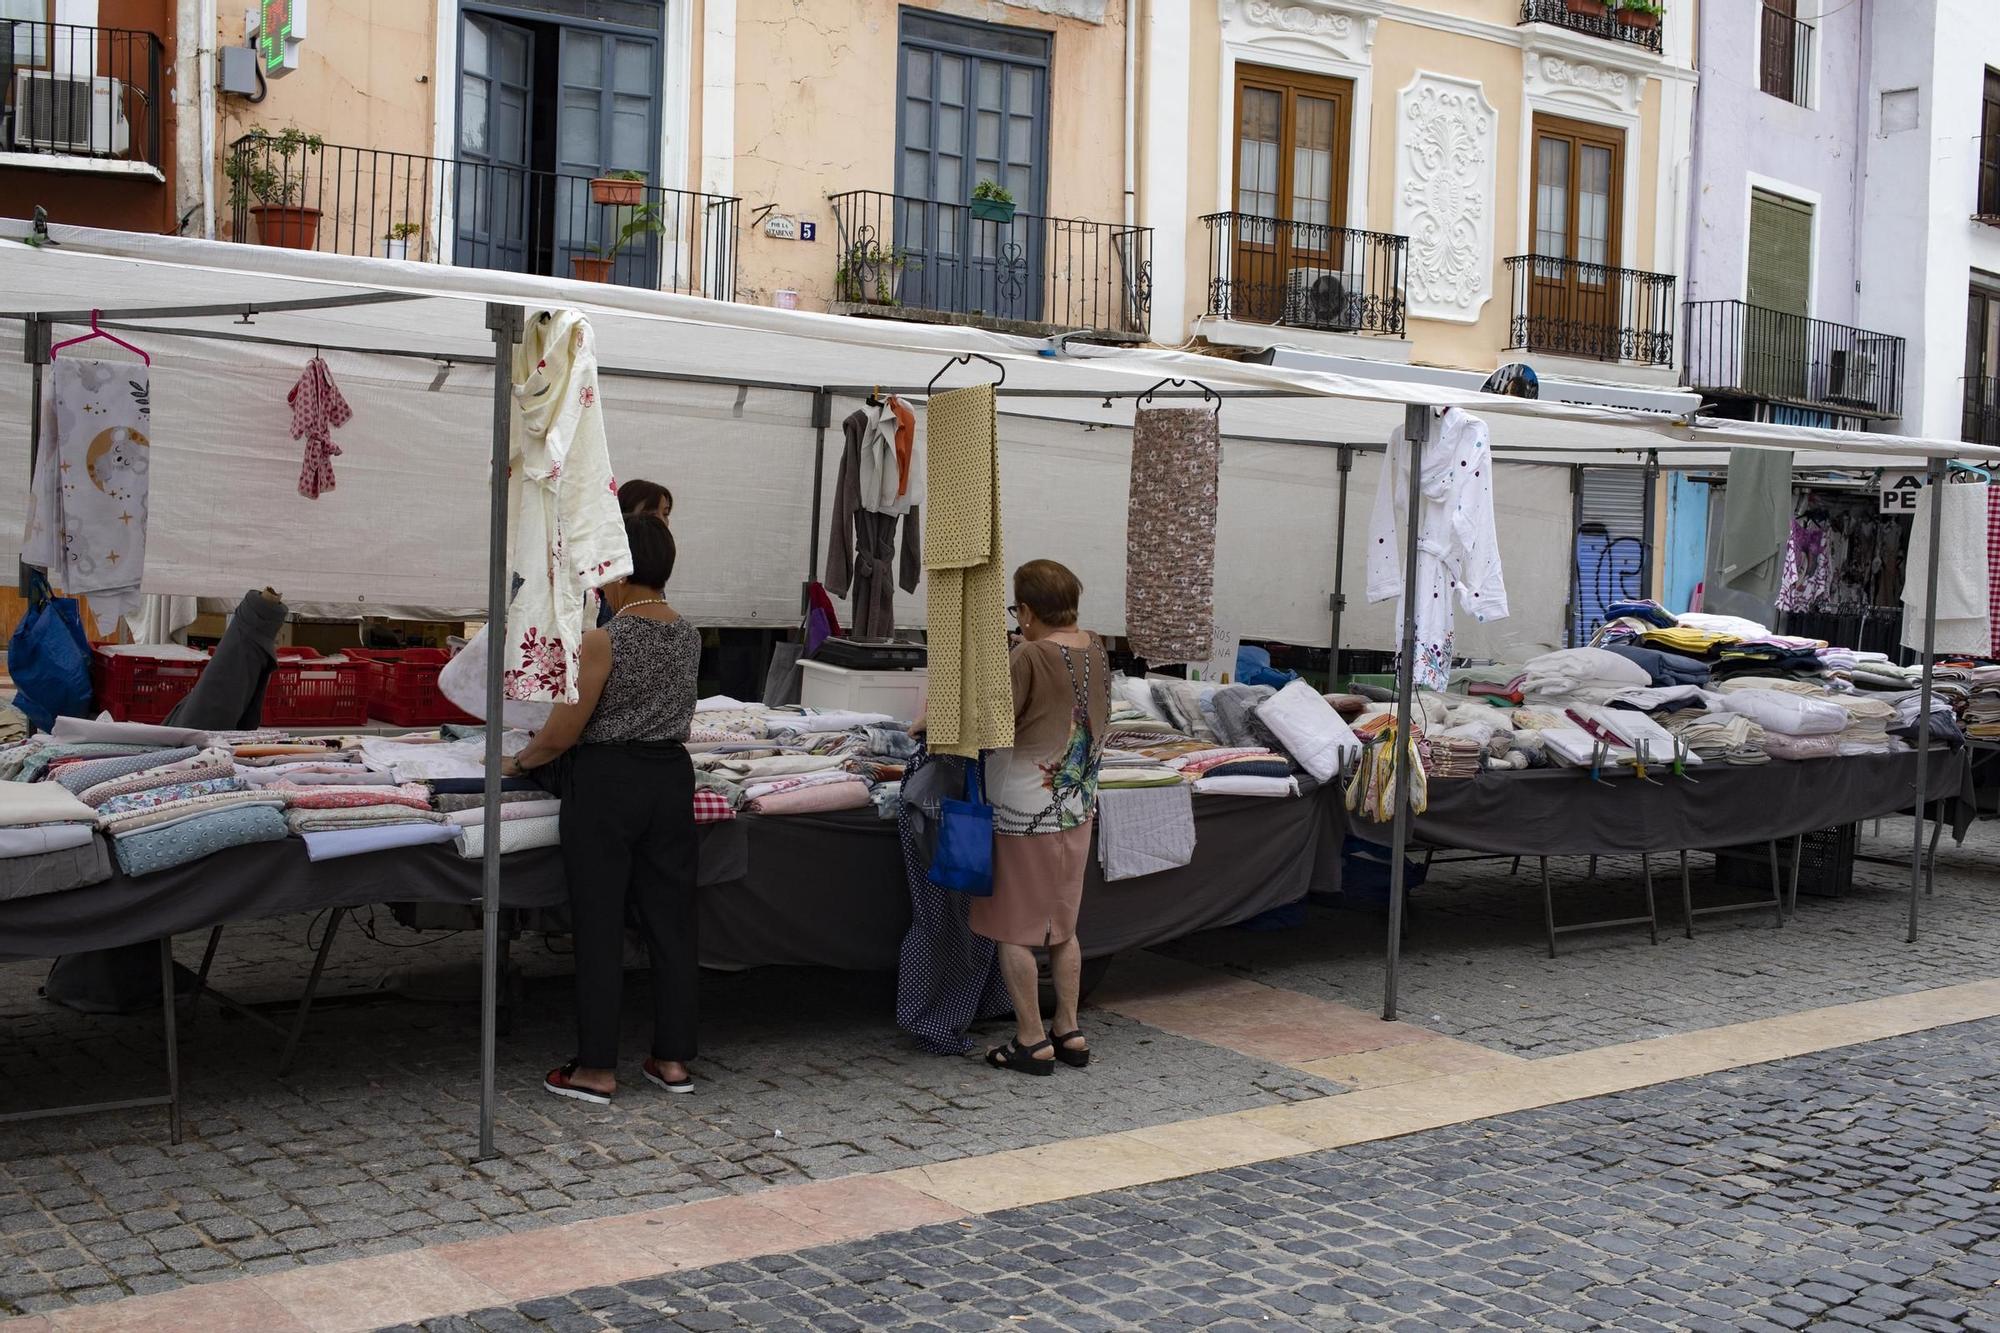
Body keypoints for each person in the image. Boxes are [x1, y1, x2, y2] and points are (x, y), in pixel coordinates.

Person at [503, 514, 702, 1104]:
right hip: (670, 777)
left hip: (608, 781)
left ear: (615, 568)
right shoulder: (688, 633)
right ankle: (672, 1058)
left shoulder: (604, 639)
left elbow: (566, 729)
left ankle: (595, 1068)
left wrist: (522, 761)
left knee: (599, 921)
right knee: (671, 922)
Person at [972, 559, 1109, 1075]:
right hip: (1076, 806)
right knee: (1063, 926)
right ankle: (1068, 1029)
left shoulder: (1029, 653)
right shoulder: (1096, 646)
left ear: (1027, 610)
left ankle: (1030, 1039)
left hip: (1024, 807)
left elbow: (995, 721)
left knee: (1016, 928)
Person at [600, 480, 675, 626]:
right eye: (651, 514)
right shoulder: (601, 572)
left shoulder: (654, 570)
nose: (661, 521)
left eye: (665, 514)